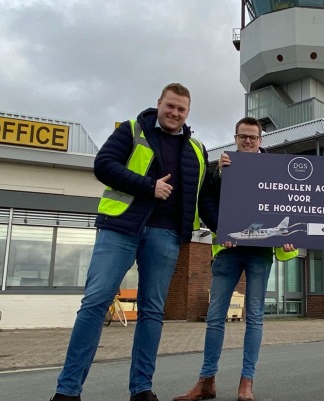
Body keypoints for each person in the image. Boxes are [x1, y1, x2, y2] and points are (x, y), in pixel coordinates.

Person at [50, 83, 218, 401]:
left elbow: (204, 199)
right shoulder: (132, 130)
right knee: (95, 302)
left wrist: (229, 226)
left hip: (166, 235)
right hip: (121, 228)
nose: (175, 113)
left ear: (188, 112)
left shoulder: (197, 149)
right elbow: (104, 165)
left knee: (153, 311)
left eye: (181, 109)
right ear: (159, 103)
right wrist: (148, 186)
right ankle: (67, 391)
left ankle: (142, 389)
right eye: (170, 106)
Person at [173, 117, 298, 401]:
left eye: (253, 137)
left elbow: (290, 202)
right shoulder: (222, 167)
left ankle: (246, 383)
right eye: (243, 136)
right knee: (215, 316)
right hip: (228, 249)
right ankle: (206, 381)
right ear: (236, 137)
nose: (248, 141)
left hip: (261, 252)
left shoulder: (276, 169)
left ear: (261, 140)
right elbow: (205, 201)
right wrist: (222, 228)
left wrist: (288, 234)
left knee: (254, 317)